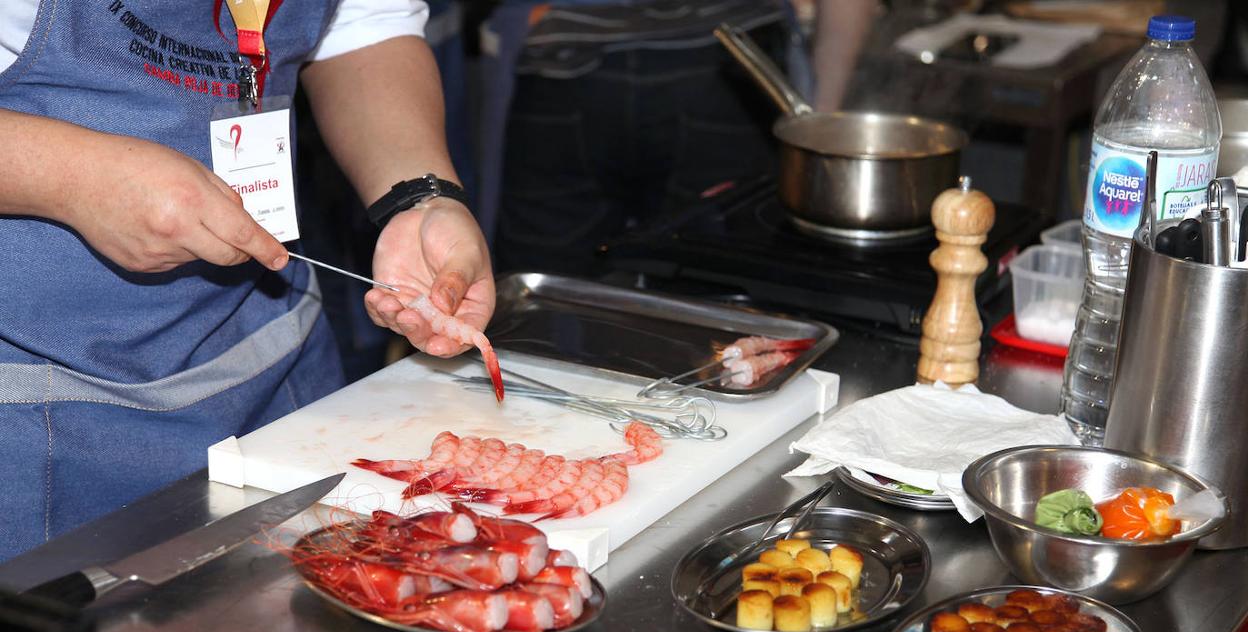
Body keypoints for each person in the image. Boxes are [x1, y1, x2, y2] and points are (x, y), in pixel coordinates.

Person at [0, 1, 493, 560]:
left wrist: (419, 195)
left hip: (276, 367)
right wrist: (71, 177)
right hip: (32, 420)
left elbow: (362, 27)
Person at [478, 0, 878, 276]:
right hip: (726, 68)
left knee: (543, 306)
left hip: (564, 61)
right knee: (720, 305)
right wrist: (818, 123)